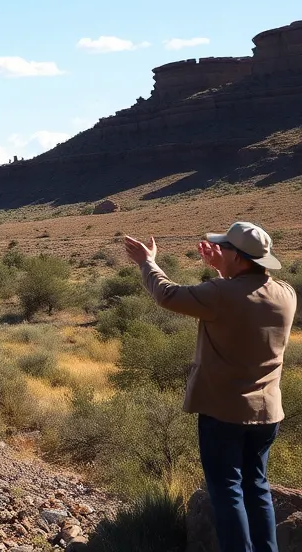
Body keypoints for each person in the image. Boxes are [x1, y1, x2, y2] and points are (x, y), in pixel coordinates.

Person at [125, 221, 296, 552]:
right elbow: (241, 299)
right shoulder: (285, 294)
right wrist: (222, 269)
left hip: (224, 412)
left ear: (240, 257)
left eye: (225, 249)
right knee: (256, 486)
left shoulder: (219, 294)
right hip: (267, 414)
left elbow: (167, 294)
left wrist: (147, 262)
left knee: (227, 490)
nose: (218, 250)